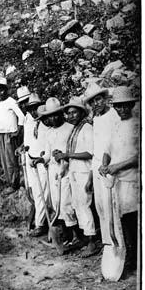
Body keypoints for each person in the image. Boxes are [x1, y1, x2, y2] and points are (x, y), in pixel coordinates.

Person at [99, 86, 139, 272]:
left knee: (133, 219)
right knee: (121, 219)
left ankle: (136, 256)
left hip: (132, 180)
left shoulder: (137, 125)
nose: (122, 109)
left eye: (125, 106)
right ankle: (128, 254)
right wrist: (104, 163)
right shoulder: (115, 126)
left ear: (131, 105)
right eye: (118, 106)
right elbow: (107, 150)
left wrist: (118, 166)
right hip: (117, 182)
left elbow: (138, 157)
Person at [55, 97, 97, 256]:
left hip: (84, 172)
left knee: (84, 205)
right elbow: (74, 152)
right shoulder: (75, 129)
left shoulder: (86, 127)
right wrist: (63, 155)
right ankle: (85, 238)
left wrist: (68, 154)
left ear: (81, 112)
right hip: (74, 170)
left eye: (74, 112)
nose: (71, 116)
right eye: (69, 113)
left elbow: (89, 152)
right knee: (77, 204)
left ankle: (92, 241)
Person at [35, 98, 77, 244]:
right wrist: (41, 160)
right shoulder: (49, 133)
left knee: (67, 203)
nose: (53, 118)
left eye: (56, 114)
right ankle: (65, 235)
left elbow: (72, 151)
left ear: (61, 113)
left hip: (67, 169)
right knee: (56, 203)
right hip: (53, 170)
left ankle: (76, 235)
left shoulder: (70, 128)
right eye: (50, 116)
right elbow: (47, 154)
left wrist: (64, 161)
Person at [83, 83, 120, 246]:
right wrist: (90, 177)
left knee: (111, 206)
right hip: (97, 167)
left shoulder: (114, 116)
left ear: (105, 99)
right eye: (92, 102)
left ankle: (119, 243)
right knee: (100, 207)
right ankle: (107, 245)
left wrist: (108, 165)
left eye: (98, 100)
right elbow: (95, 150)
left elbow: (117, 145)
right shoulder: (96, 119)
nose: (95, 104)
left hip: (110, 167)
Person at [22, 93, 49, 237]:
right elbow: (28, 140)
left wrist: (43, 157)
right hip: (30, 160)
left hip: (43, 161)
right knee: (35, 192)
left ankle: (41, 224)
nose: (33, 111)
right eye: (31, 108)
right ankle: (40, 221)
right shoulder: (28, 121)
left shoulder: (46, 121)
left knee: (43, 193)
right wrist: (23, 148)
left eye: (36, 108)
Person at [0, 74, 25, 190]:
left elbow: (22, 117)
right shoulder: (0, 104)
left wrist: (17, 132)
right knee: (5, 159)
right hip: (2, 134)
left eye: (1, 90)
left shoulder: (12, 101)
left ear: (6, 90)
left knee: (11, 160)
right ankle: (10, 181)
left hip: (10, 135)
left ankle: (15, 183)